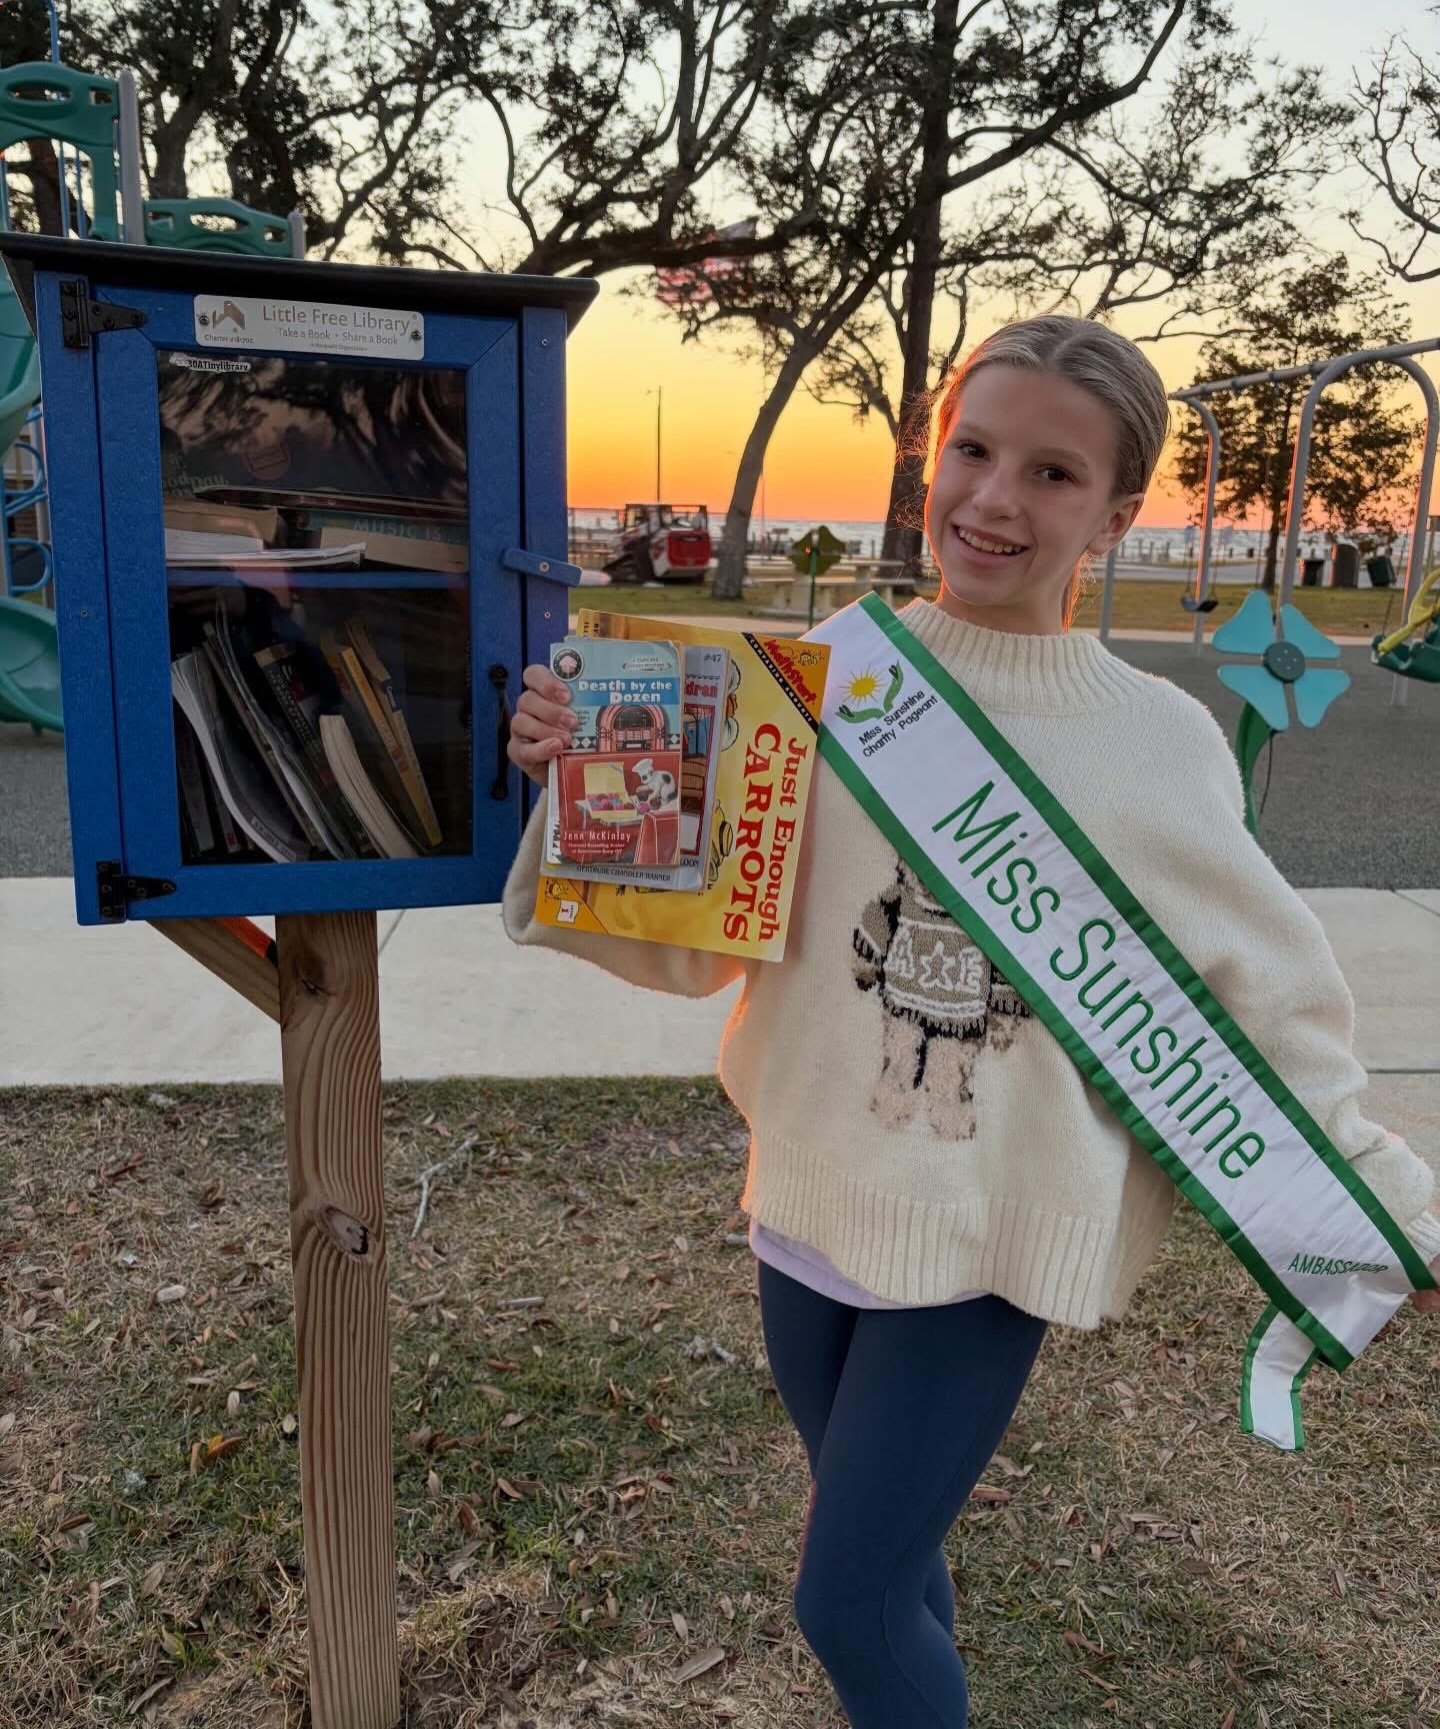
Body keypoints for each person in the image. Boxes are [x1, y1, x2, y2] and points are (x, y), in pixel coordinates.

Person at [501, 316, 1440, 1728]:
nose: (996, 501)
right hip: (810, 1196)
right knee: (891, 1555)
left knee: (845, 1595)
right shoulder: (826, 669)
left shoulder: (1155, 742)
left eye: (1055, 475)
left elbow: (1274, 996)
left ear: (1120, 514)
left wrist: (1392, 1205)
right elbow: (702, 940)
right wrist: (572, 785)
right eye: (975, 451)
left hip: (992, 1233)